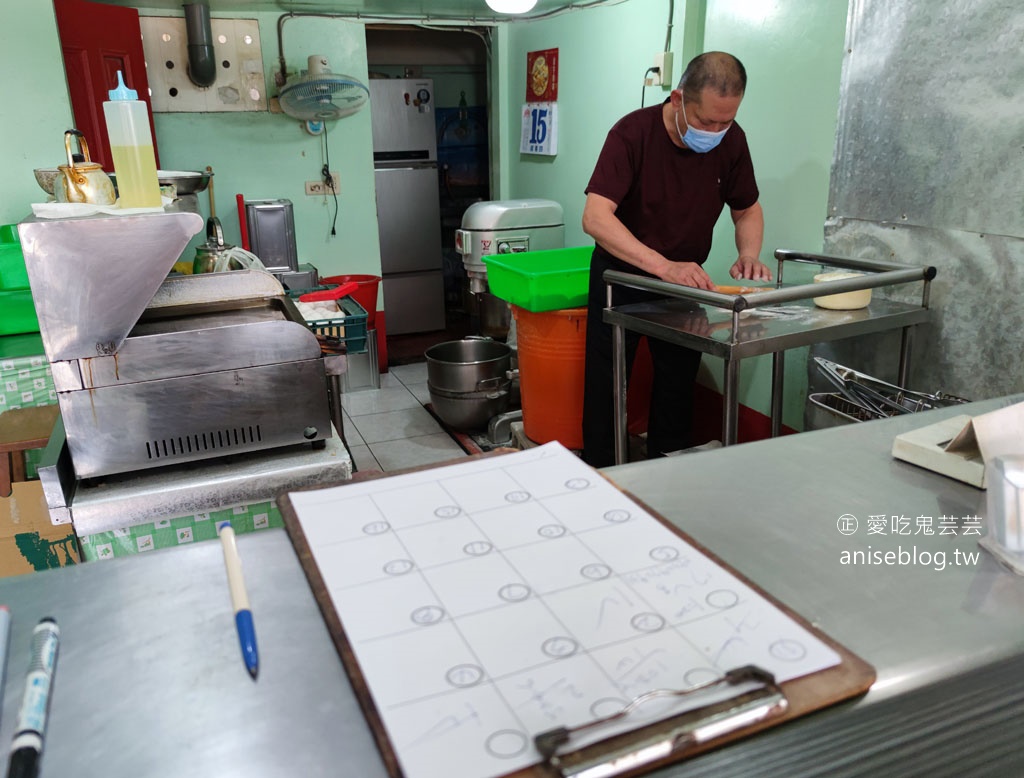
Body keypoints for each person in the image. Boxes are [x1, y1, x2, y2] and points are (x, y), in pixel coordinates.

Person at [581, 51, 771, 467]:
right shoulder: (632, 134)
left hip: (685, 281)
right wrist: (663, 266)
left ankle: (669, 471)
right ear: (678, 98)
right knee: (608, 383)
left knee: (677, 383)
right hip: (622, 277)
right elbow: (596, 218)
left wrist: (749, 253)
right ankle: (602, 471)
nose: (717, 132)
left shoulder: (731, 140)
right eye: (707, 122)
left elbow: (747, 208)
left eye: (726, 121)